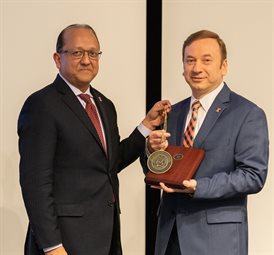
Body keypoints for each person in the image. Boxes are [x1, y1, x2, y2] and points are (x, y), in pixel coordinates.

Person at [18, 24, 171, 255]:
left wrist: (146, 126)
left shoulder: (104, 105)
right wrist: (52, 246)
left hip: (105, 238)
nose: (86, 60)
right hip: (64, 242)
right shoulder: (42, 105)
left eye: (93, 53)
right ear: (58, 58)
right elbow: (35, 184)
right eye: (77, 52)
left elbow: (110, 164)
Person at [143, 30, 269, 255]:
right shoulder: (173, 113)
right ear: (183, 67)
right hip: (170, 236)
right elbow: (159, 170)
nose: (197, 68)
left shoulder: (247, 113)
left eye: (206, 60)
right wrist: (151, 150)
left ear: (224, 66)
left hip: (217, 240)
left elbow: (253, 176)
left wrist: (199, 187)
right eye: (190, 60)